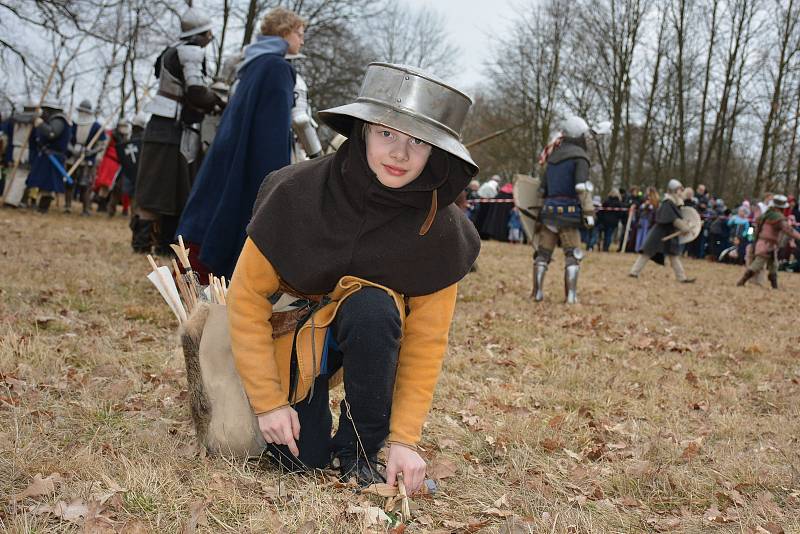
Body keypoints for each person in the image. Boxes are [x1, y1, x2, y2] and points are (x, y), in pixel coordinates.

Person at [225, 63, 480, 493]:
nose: (400, 153)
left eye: (418, 141)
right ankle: (306, 411)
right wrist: (268, 403)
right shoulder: (295, 192)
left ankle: (361, 445)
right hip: (292, 339)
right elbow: (246, 299)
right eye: (387, 133)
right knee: (299, 460)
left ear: (436, 152)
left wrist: (403, 440)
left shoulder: (442, 231)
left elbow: (426, 341)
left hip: (369, 339)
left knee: (374, 308)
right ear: (361, 130)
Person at [176, 7, 303, 281]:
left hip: (232, 151)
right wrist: (277, 178)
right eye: (300, 33)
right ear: (284, 32)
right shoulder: (278, 67)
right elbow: (273, 129)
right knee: (246, 211)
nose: (302, 41)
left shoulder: (252, 63)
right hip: (255, 156)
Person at [132, 7, 225, 254]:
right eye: (208, 33)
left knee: (158, 189)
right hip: (174, 129)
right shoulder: (191, 51)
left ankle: (151, 244)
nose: (210, 37)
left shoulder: (169, 51)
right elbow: (195, 91)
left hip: (162, 125)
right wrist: (217, 100)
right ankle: (156, 245)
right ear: (201, 33)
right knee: (173, 191)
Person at [531, 116, 596, 304]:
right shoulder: (580, 157)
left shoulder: (553, 157)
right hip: (569, 213)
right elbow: (581, 188)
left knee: (543, 255)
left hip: (549, 212)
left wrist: (538, 213)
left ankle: (537, 293)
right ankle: (571, 297)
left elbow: (542, 189)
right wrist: (589, 213)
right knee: (573, 254)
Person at [628, 179, 695, 283]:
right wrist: (683, 227)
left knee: (674, 256)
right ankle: (634, 272)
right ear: (674, 190)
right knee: (647, 253)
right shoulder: (667, 203)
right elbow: (673, 219)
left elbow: (678, 218)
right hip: (659, 233)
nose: (681, 192)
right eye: (679, 190)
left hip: (668, 233)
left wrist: (685, 226)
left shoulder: (674, 202)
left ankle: (681, 277)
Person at [737, 194, 800, 288]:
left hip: (765, 243)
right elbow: (788, 230)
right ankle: (742, 281)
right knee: (758, 263)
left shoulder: (767, 214)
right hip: (767, 244)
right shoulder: (777, 217)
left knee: (773, 265)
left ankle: (774, 285)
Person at [25, 102, 71, 214]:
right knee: (37, 180)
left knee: (48, 184)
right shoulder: (51, 119)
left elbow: (52, 133)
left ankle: (43, 208)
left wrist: (41, 125)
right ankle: (31, 202)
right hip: (45, 155)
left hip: (53, 156)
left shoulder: (59, 120)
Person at [66, 99, 106, 215]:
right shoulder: (73, 123)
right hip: (73, 156)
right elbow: (67, 139)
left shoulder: (96, 126)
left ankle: (86, 209)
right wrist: (72, 150)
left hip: (88, 158)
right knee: (69, 182)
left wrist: (91, 151)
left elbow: (101, 144)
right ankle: (68, 206)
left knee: (85, 184)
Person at [94, 119, 130, 216]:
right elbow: (104, 147)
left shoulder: (126, 137)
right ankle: (101, 205)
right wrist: (100, 158)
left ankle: (107, 206)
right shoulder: (111, 134)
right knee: (104, 184)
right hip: (109, 161)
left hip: (119, 164)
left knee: (114, 187)